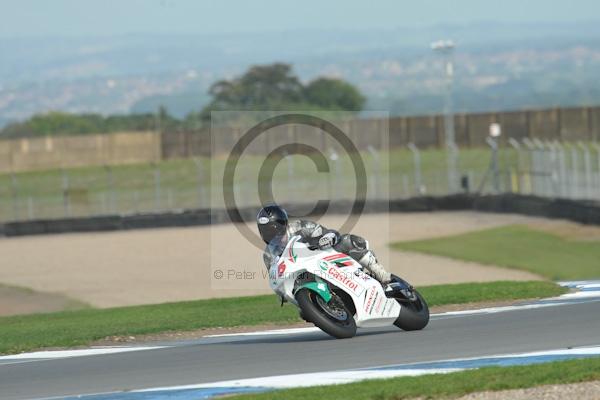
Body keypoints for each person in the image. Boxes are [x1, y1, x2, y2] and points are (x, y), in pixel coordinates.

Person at [257, 204, 392, 285]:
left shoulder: (302, 227)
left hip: (325, 260)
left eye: (273, 228)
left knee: (347, 241)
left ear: (283, 224)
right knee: (304, 313)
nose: (271, 233)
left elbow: (331, 233)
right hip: (306, 278)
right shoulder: (268, 255)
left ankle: (383, 276)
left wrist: (327, 238)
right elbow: (275, 279)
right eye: (266, 230)